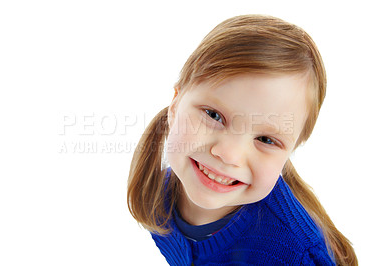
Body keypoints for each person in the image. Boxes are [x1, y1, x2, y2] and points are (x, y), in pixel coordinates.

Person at [127, 14, 357, 265]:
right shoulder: (158, 195)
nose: (229, 153)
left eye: (266, 139)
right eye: (213, 115)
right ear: (175, 104)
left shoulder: (295, 253)